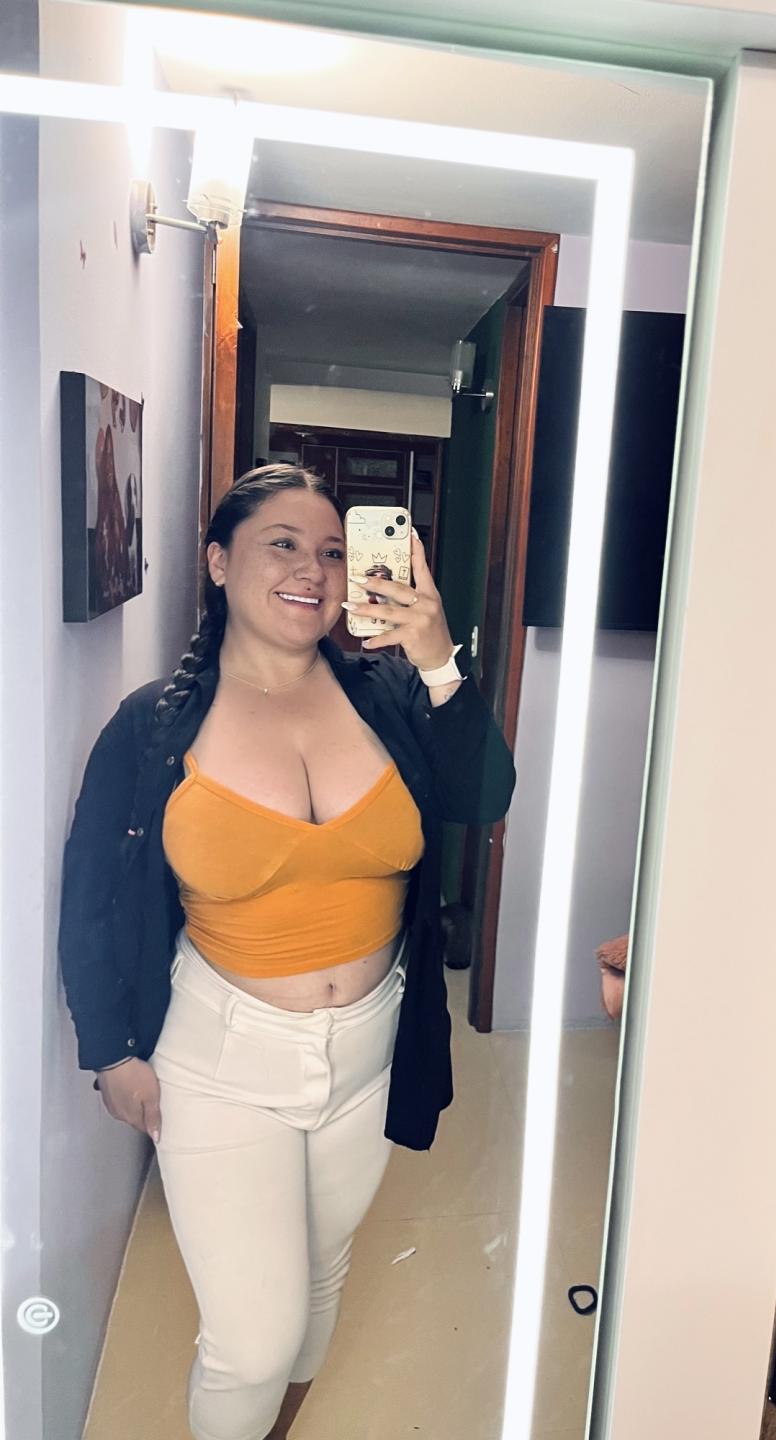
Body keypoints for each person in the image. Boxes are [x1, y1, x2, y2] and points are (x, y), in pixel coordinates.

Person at [58, 464, 515, 1440]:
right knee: (253, 1341)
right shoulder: (155, 724)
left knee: (320, 1274)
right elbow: (90, 894)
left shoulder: (390, 693)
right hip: (222, 1059)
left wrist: (439, 660)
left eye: (333, 551)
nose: (313, 569)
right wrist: (110, 1050)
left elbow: (485, 796)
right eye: (283, 544)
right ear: (220, 562)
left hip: (369, 1053)